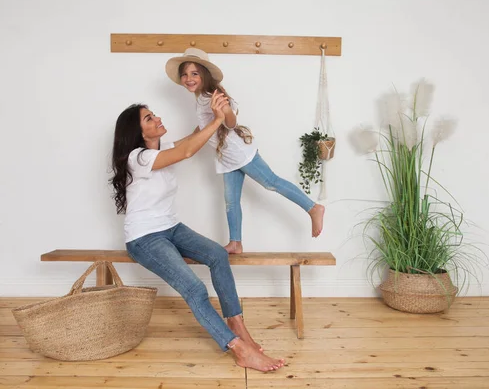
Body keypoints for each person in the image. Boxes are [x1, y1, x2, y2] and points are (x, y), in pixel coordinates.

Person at [109, 100, 284, 372]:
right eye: (148, 119)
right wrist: (215, 120)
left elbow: (191, 138)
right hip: (145, 239)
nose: (157, 118)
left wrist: (210, 107)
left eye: (154, 114)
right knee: (194, 289)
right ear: (139, 133)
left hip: (171, 228)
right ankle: (238, 349)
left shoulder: (163, 148)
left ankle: (237, 323)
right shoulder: (139, 158)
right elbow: (189, 150)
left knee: (217, 254)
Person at [164, 48, 326, 254]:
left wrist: (222, 113)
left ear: (204, 74)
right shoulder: (202, 98)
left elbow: (231, 122)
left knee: (271, 182)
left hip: (239, 152)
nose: (188, 78)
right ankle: (236, 242)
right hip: (226, 156)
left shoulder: (213, 96)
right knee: (231, 200)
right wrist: (182, 141)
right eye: (185, 74)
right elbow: (204, 127)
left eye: (194, 73)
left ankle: (313, 208)